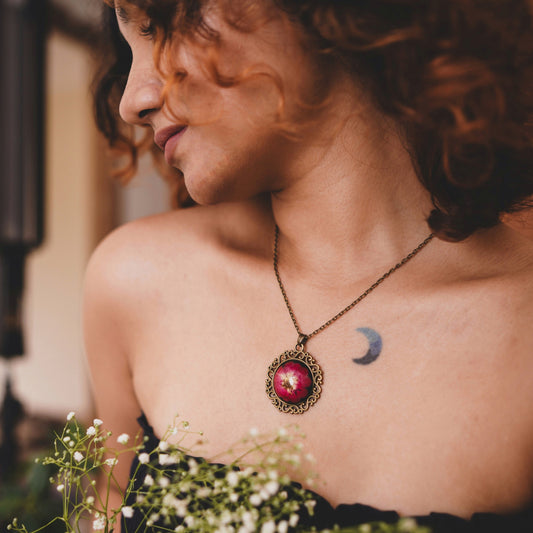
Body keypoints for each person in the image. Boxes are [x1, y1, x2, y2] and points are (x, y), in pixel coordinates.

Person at [85, 0, 533, 530]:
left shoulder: (520, 318)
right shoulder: (137, 287)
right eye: (130, 48)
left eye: (159, 26)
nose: (133, 100)